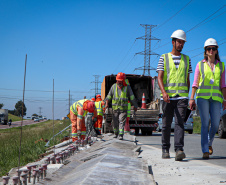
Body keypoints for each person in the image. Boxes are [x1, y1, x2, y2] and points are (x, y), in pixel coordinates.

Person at [157, 29, 192, 161]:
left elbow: (188, 79)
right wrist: (164, 93)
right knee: (166, 124)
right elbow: (159, 77)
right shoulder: (163, 57)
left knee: (180, 124)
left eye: (183, 43)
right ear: (173, 42)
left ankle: (179, 150)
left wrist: (187, 96)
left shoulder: (187, 59)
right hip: (167, 97)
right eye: (179, 42)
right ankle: (165, 149)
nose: (181, 45)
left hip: (182, 97)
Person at [189, 38, 226, 159]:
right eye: (208, 49)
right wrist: (191, 98)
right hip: (202, 98)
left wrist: (225, 100)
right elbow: (195, 83)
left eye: (213, 49)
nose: (211, 50)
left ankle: (209, 143)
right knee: (205, 123)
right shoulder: (200, 65)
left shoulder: (221, 65)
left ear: (216, 51)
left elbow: (223, 85)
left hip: (216, 99)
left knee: (215, 124)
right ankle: (205, 149)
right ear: (205, 51)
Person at [105, 72, 138, 140]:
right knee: (114, 122)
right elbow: (109, 96)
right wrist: (106, 103)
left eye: (120, 81)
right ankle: (116, 133)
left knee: (121, 121)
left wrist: (135, 105)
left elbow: (132, 97)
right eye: (118, 81)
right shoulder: (113, 87)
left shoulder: (127, 87)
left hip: (123, 109)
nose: (119, 82)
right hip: (115, 108)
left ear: (123, 81)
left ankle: (120, 135)